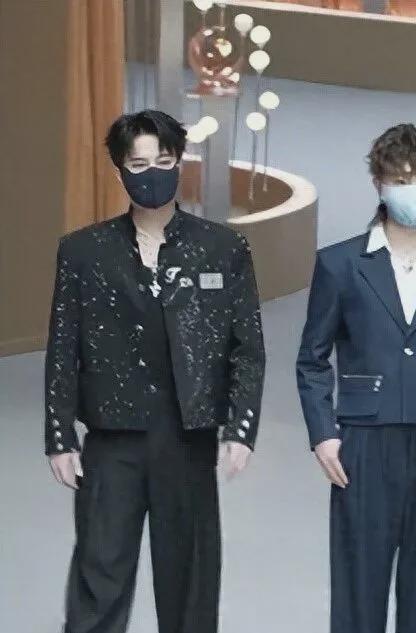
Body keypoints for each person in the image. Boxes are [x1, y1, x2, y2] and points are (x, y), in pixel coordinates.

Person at [45, 109, 266, 633]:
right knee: (99, 577)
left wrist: (240, 427)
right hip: (111, 439)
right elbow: (62, 347)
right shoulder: (84, 251)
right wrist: (59, 435)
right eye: (139, 164)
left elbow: (248, 347)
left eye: (163, 162)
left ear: (179, 162)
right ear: (119, 169)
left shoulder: (222, 248)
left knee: (190, 584)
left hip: (188, 437)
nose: (152, 174)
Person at [296, 123, 416, 633]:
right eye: (401, 179)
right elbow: (312, 358)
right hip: (364, 438)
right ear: (378, 183)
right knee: (358, 583)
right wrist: (323, 434)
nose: (413, 190)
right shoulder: (340, 264)